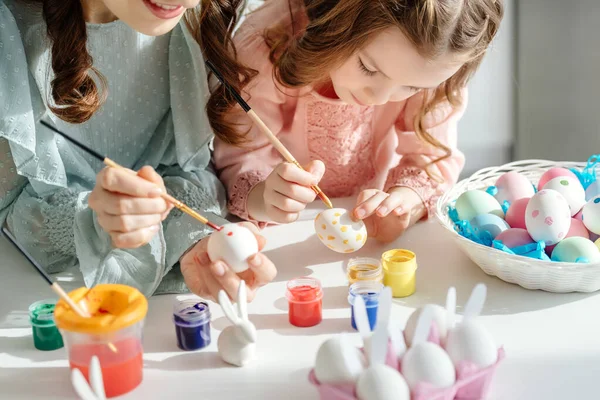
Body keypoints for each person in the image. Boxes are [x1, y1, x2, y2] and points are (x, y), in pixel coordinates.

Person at [0, 0, 276, 301]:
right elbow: (10, 216)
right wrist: (93, 220)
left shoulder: (186, 20)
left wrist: (195, 240)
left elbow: (184, 166)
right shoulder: (10, 33)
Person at [213, 0, 504, 243]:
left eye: (412, 88)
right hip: (278, 237)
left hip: (361, 232)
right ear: (340, 20)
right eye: (367, 67)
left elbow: (430, 156)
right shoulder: (269, 46)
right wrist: (262, 197)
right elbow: (239, 154)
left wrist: (404, 200)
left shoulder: (436, 65)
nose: (379, 97)